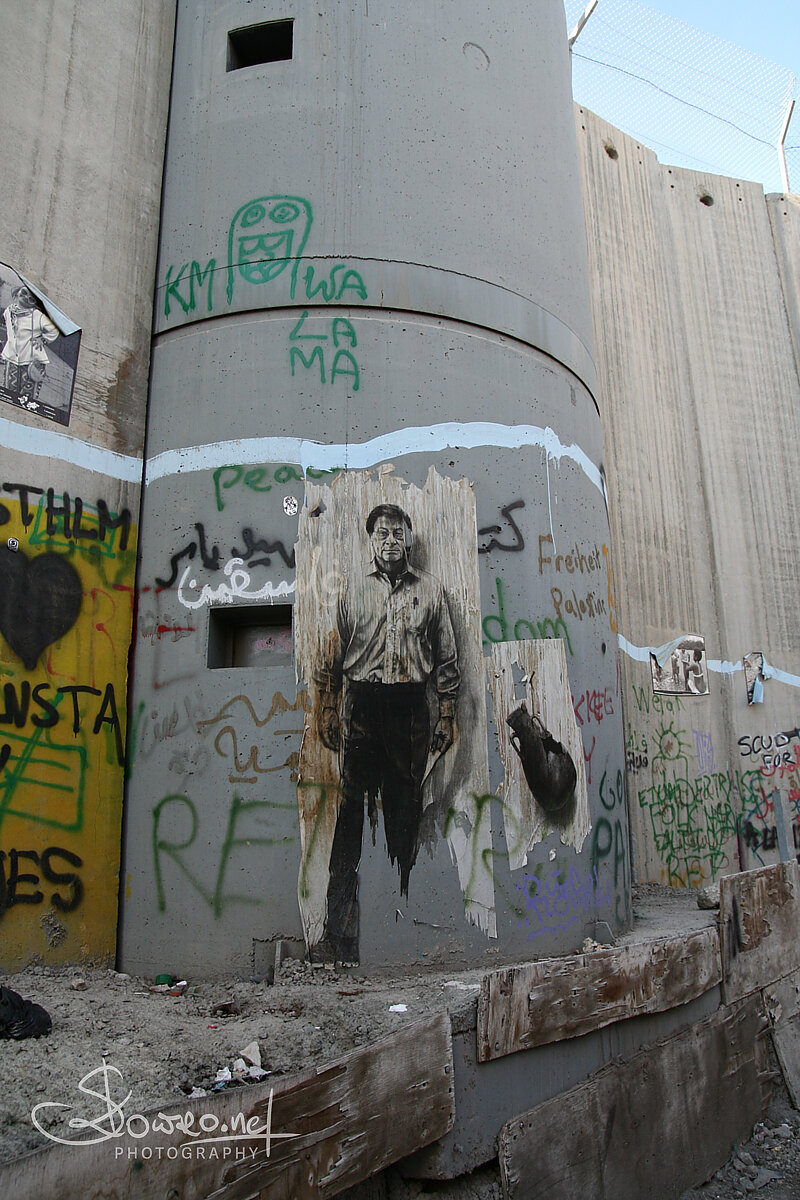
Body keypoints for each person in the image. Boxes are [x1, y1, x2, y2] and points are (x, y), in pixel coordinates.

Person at [312, 503, 460, 964]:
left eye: (398, 533)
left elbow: (447, 659)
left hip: (411, 710)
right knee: (350, 817)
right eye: (382, 533)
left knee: (404, 810)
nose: (391, 541)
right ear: (371, 540)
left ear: (408, 539)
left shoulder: (431, 591)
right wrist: (329, 707)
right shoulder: (352, 589)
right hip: (362, 706)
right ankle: (338, 934)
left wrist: (446, 713)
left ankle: (402, 931)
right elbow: (332, 653)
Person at [2, 285, 58, 407]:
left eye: (31, 298)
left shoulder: (38, 316)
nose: (26, 297)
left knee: (27, 398)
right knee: (9, 392)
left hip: (31, 360)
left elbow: (54, 330)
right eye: (24, 292)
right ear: (17, 292)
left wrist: (42, 339)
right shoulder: (9, 311)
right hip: (12, 357)